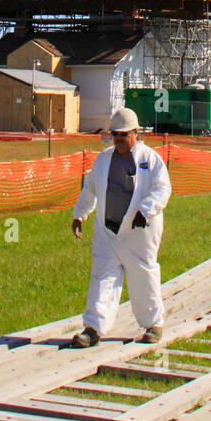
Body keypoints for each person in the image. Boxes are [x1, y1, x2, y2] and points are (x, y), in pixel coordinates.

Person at [70, 106, 172, 348]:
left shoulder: (150, 160)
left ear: (136, 133)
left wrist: (145, 210)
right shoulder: (104, 159)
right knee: (102, 277)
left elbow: (162, 189)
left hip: (139, 235)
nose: (118, 140)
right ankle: (93, 328)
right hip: (108, 233)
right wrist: (79, 214)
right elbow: (91, 189)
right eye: (114, 134)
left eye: (123, 135)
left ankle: (153, 325)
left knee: (143, 277)